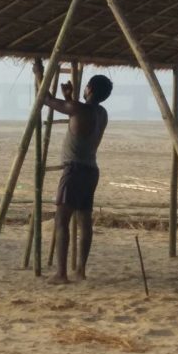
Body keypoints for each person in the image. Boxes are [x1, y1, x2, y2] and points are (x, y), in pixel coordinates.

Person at [33, 62, 112, 284]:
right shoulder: (101, 113)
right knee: (84, 220)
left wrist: (39, 73)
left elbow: (46, 99)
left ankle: (61, 274)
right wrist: (68, 98)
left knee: (62, 219)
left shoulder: (79, 109)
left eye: (86, 87)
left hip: (74, 170)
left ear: (90, 89)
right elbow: (78, 120)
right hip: (91, 170)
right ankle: (80, 270)